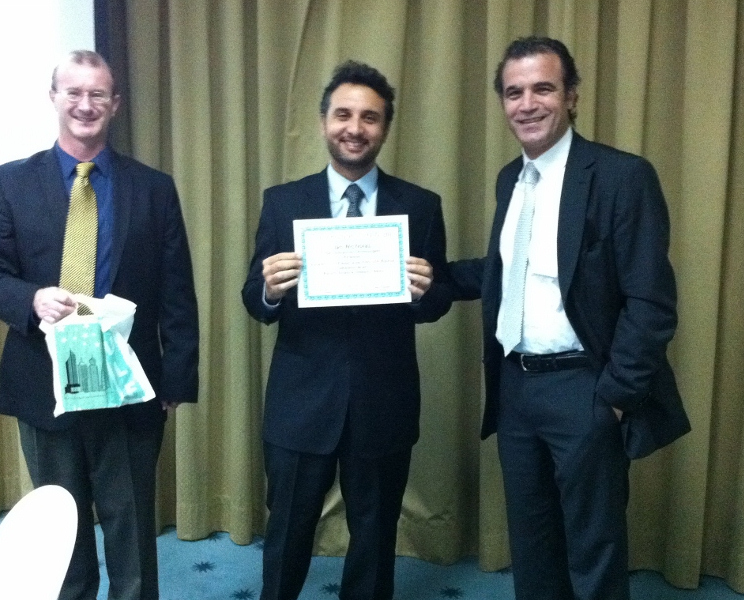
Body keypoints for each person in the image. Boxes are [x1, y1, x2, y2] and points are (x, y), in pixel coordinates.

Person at [448, 37, 690, 600]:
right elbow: (509, 268)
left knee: (594, 550)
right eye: (514, 92)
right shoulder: (510, 178)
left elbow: (651, 302)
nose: (527, 104)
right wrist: (424, 274)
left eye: (543, 88)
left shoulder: (622, 176)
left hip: (585, 390)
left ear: (572, 96)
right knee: (531, 545)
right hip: (514, 389)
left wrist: (613, 399)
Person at [0, 50, 199, 600]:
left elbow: (177, 290)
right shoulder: (12, 182)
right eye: (73, 92)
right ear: (53, 98)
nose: (85, 104)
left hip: (129, 387)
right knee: (60, 532)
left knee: (132, 532)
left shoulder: (154, 188)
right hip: (43, 384)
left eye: (98, 94)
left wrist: (177, 377)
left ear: (115, 104)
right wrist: (31, 298)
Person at [241, 60, 452, 600]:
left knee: (375, 538)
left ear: (385, 128)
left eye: (369, 118)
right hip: (300, 401)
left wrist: (427, 292)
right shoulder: (283, 202)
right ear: (323, 122)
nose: (354, 128)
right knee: (287, 532)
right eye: (343, 115)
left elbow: (436, 304)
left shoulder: (420, 206)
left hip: (383, 401)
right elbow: (254, 299)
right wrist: (270, 289)